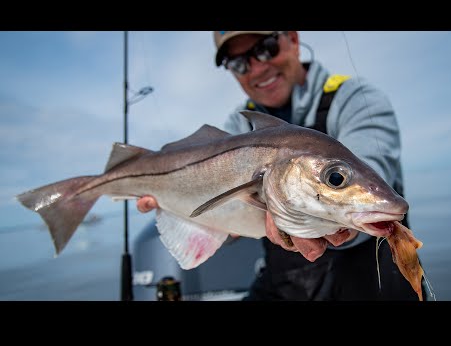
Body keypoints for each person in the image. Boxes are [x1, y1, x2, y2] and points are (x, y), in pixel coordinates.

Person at [137, 31, 426, 301]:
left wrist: (342, 224)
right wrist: (172, 200)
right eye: (238, 63)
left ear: (293, 39)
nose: (256, 68)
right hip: (286, 284)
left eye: (266, 48)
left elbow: (374, 167)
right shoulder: (239, 126)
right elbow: (226, 217)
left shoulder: (355, 98)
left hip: (368, 283)